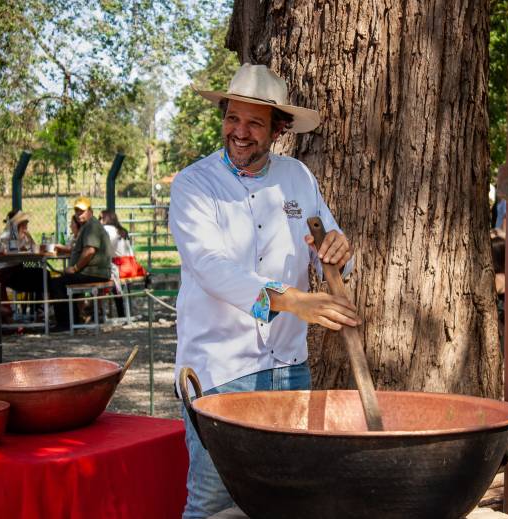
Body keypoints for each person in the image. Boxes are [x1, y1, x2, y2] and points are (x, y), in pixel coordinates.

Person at [169, 63, 360, 518]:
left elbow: (331, 251)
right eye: (233, 118)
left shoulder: (297, 177)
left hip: (289, 367)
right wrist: (292, 301)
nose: (240, 131)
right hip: (220, 372)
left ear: (279, 128)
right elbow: (211, 268)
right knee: (212, 504)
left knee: (288, 500)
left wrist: (338, 248)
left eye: (255, 122)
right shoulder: (194, 185)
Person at [49, 196, 112, 331]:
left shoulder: (91, 226)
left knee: (56, 283)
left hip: (94, 273)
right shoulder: (88, 226)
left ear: (90, 211)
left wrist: (75, 268)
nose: (78, 214)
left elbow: (89, 251)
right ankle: (73, 320)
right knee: (61, 280)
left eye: (81, 211)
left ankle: (65, 324)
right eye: (77, 211)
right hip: (93, 272)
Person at [0, 210, 45, 298]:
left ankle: (38, 307)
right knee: (41, 276)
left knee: (43, 274)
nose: (26, 224)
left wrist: (29, 237)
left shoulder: (23, 235)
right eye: (24, 222)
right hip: (5, 272)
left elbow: (34, 249)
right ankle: (39, 307)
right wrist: (20, 248)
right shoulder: (7, 235)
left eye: (26, 222)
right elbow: (10, 251)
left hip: (17, 269)